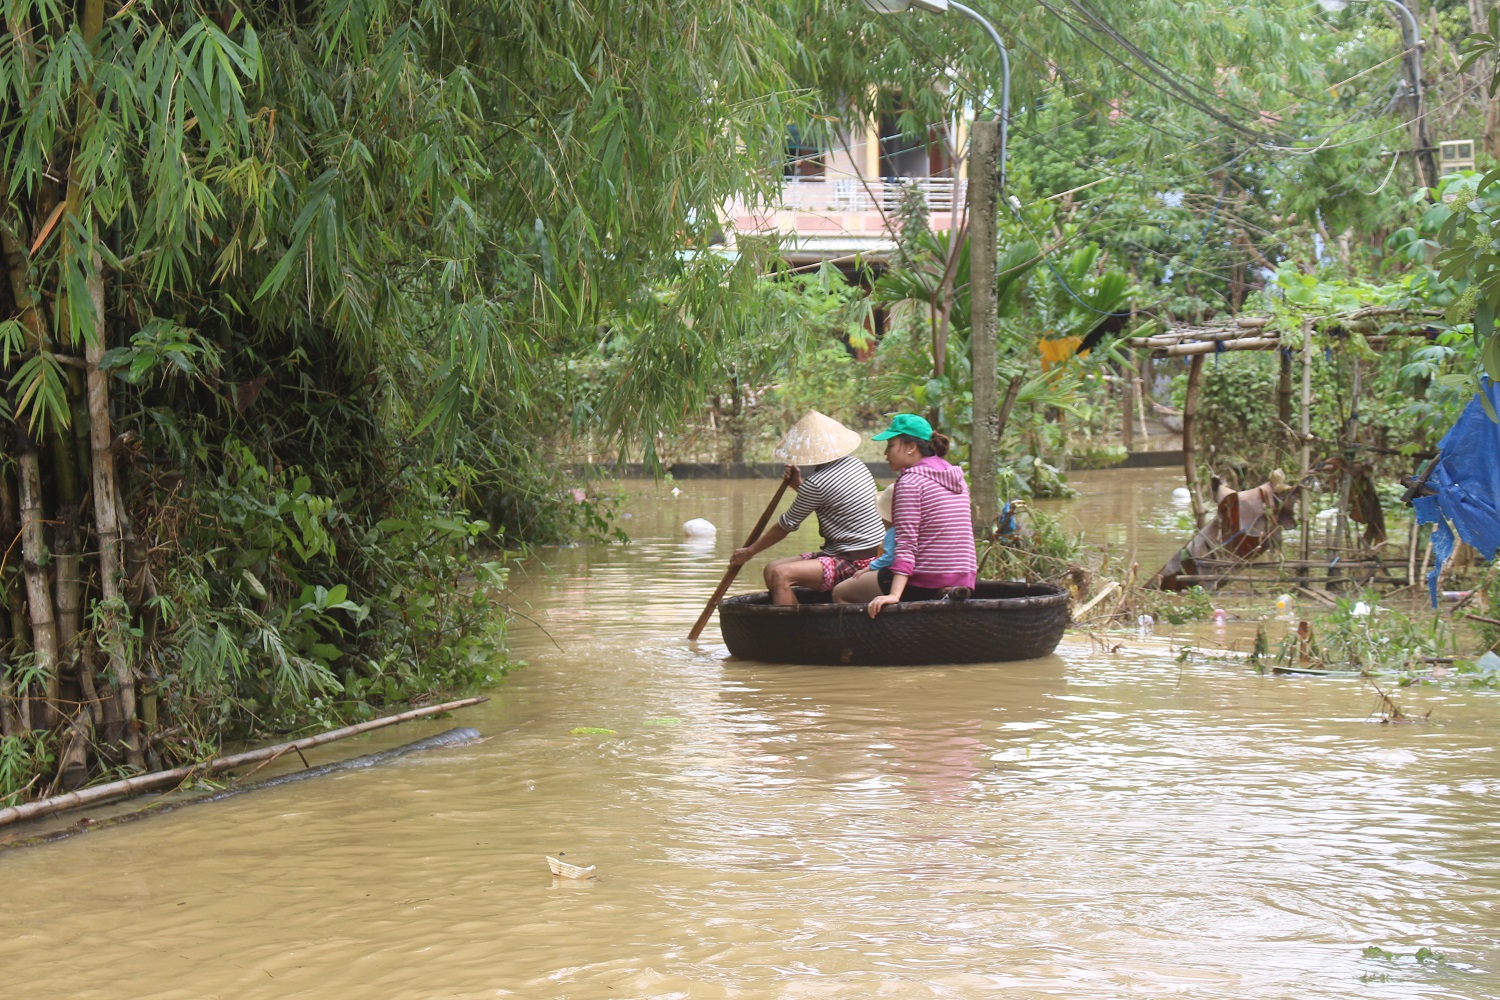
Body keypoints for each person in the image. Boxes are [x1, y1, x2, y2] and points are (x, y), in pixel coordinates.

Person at [727, 411, 885, 605]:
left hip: (856, 560)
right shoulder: (856, 464)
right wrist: (798, 484)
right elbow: (829, 499)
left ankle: (792, 632)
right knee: (770, 570)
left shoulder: (817, 483)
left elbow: (785, 526)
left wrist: (750, 551)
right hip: (860, 552)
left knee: (780, 574)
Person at [864, 413, 977, 618]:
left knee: (842, 592)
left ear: (910, 447)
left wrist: (894, 595)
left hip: (926, 579)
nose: (885, 453)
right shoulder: (958, 478)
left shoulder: (910, 482)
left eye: (890, 445)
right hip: (964, 578)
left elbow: (906, 543)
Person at [831, 486, 894, 605]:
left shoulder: (892, 533)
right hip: (892, 574)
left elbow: (889, 558)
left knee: (838, 593)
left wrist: (868, 568)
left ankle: (858, 623)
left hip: (890, 575)